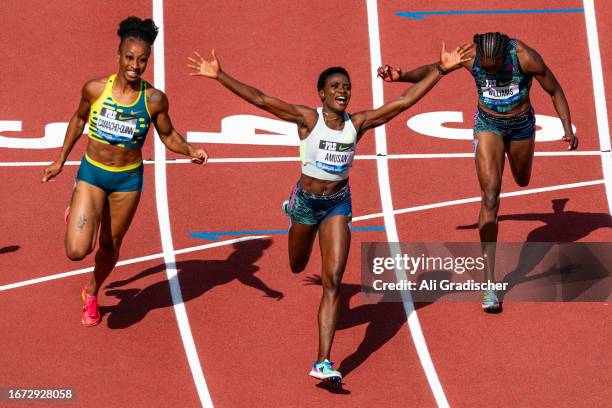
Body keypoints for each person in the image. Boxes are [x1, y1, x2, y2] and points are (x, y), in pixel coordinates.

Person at [187, 43, 471, 382]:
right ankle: (292, 207)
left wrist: (441, 69)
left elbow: (403, 102)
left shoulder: (359, 123)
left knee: (333, 281)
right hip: (307, 203)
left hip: (338, 203)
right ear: (321, 94)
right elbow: (261, 100)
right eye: (335, 86)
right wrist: (220, 76)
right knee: (297, 264)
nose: (343, 91)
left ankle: (323, 361)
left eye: (347, 86)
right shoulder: (308, 119)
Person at [378, 32, 578, 312]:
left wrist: (567, 127)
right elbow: (437, 69)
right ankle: (489, 284)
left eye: (493, 67)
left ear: (502, 57)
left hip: (521, 126)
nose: (488, 71)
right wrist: (402, 76)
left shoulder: (524, 57)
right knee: (490, 197)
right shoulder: (471, 56)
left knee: (522, 180)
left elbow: (554, 89)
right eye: (483, 67)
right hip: (488, 125)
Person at [42, 16, 208, 327]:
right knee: (77, 250)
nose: (135, 65)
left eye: (142, 59)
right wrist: (60, 160)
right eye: (129, 57)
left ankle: (91, 293)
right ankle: (78, 204)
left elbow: (168, 135)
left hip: (127, 181)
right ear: (118, 56)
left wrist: (190, 150)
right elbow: (78, 121)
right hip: (93, 173)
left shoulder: (154, 99)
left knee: (110, 246)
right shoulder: (94, 89)